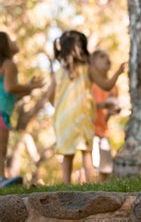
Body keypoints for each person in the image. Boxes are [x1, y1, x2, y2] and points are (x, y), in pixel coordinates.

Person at [48, 30, 124, 184]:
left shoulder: (58, 73)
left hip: (62, 120)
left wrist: (61, 108)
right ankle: (89, 185)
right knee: (86, 152)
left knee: (67, 154)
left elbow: (50, 96)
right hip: (81, 118)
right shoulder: (87, 69)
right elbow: (106, 85)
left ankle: (66, 185)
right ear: (82, 48)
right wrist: (118, 72)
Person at [0, 31, 44, 188]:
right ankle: (1, 178)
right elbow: (10, 87)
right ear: (5, 46)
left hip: (3, 111)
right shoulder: (9, 65)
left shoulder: (4, 66)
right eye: (11, 40)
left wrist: (27, 89)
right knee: (2, 149)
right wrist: (31, 86)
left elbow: (10, 95)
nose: (14, 41)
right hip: (1, 113)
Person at [90, 49, 122, 182]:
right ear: (93, 62)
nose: (106, 59)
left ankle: (101, 189)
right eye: (102, 56)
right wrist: (103, 104)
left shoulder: (114, 87)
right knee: (93, 165)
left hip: (103, 131)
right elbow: (87, 107)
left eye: (108, 56)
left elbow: (107, 115)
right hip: (89, 131)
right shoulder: (90, 84)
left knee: (105, 168)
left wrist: (113, 110)